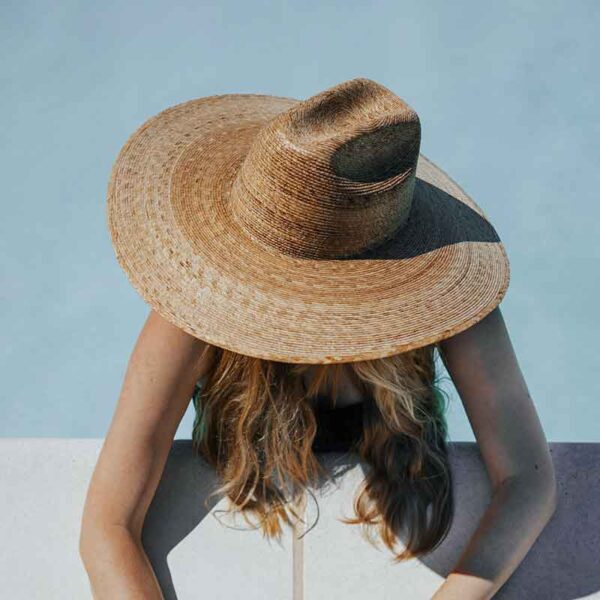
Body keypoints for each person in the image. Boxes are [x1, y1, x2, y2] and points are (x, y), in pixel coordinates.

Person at [79, 77, 557, 599]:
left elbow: (528, 480)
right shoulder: (193, 298)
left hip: (396, 457)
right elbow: (107, 524)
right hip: (248, 457)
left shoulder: (450, 295)